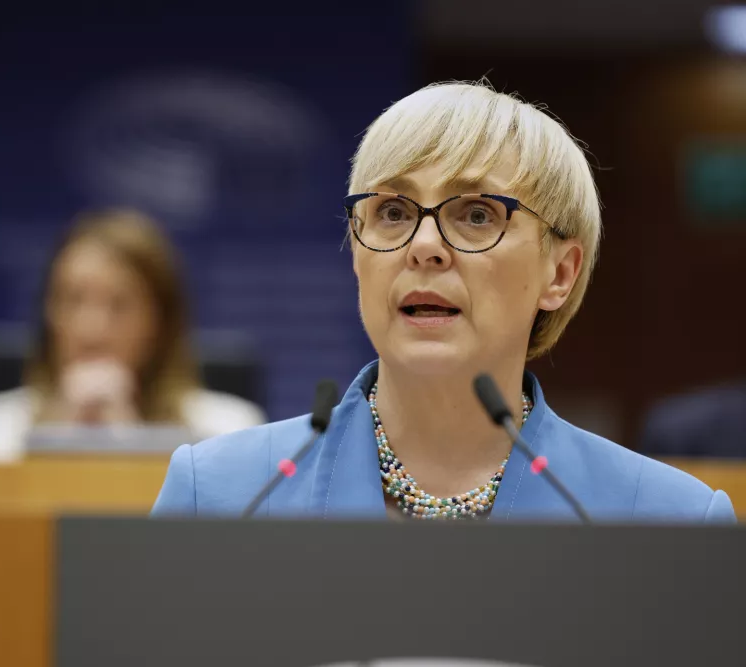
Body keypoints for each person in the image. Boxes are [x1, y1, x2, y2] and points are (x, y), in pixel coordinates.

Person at [152, 81, 736, 522]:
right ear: (357, 256)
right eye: (393, 212)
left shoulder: (667, 519)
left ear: (559, 272)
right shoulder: (218, 494)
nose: (425, 246)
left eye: (477, 215)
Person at [0, 209, 265, 463]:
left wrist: (129, 443)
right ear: (47, 313)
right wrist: (62, 435)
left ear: (160, 322)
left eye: (119, 304)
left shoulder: (230, 431)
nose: (92, 328)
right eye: (72, 299)